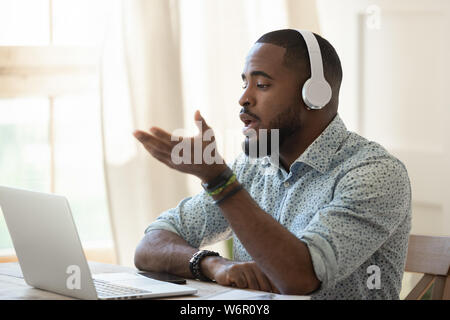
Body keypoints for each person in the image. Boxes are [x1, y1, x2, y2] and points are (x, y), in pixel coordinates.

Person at [132, 29, 411, 299]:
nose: (244, 98)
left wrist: (219, 181)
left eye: (262, 84)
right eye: (245, 84)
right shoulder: (253, 167)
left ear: (314, 95)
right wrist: (211, 264)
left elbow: (300, 278)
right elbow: (151, 245)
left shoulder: (375, 173)